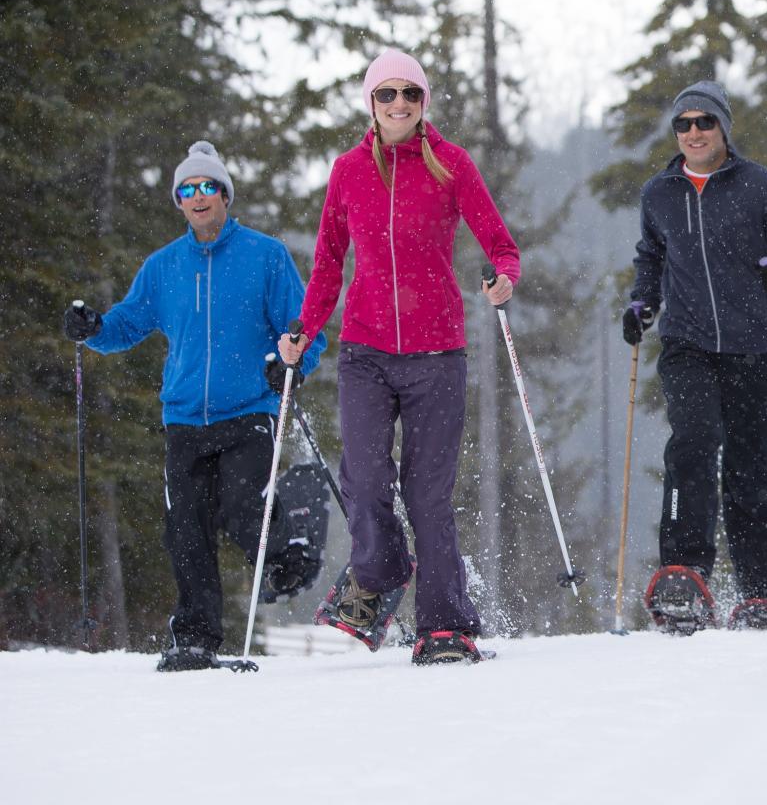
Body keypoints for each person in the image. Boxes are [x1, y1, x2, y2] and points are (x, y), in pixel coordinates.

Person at [278, 48, 520, 666]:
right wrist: (305, 328)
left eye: (409, 94)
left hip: (438, 351)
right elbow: (330, 258)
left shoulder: (451, 164)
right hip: (364, 349)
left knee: (428, 493)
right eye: (386, 95)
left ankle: (445, 624)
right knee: (362, 477)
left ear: (423, 103)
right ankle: (382, 569)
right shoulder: (349, 170)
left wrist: (504, 275)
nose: (398, 105)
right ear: (371, 104)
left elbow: (498, 241)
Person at [62, 140, 327, 672]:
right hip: (184, 419)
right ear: (178, 202)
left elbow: (304, 329)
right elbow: (126, 324)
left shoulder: (264, 255)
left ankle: (290, 549)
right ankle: (195, 638)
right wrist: (92, 330)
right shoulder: (164, 268)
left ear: (225, 195)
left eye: (208, 186)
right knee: (186, 527)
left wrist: (288, 364)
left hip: (249, 409)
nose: (199, 196)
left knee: (240, 508)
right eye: (188, 189)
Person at [624, 80, 767, 634]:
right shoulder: (659, 193)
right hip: (686, 344)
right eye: (683, 124)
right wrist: (641, 304)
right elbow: (650, 259)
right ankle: (684, 572)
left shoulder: (762, 187)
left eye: (704, 122)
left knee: (752, 463)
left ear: (724, 128)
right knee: (691, 441)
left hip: (755, 345)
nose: (693, 133)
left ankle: (759, 592)